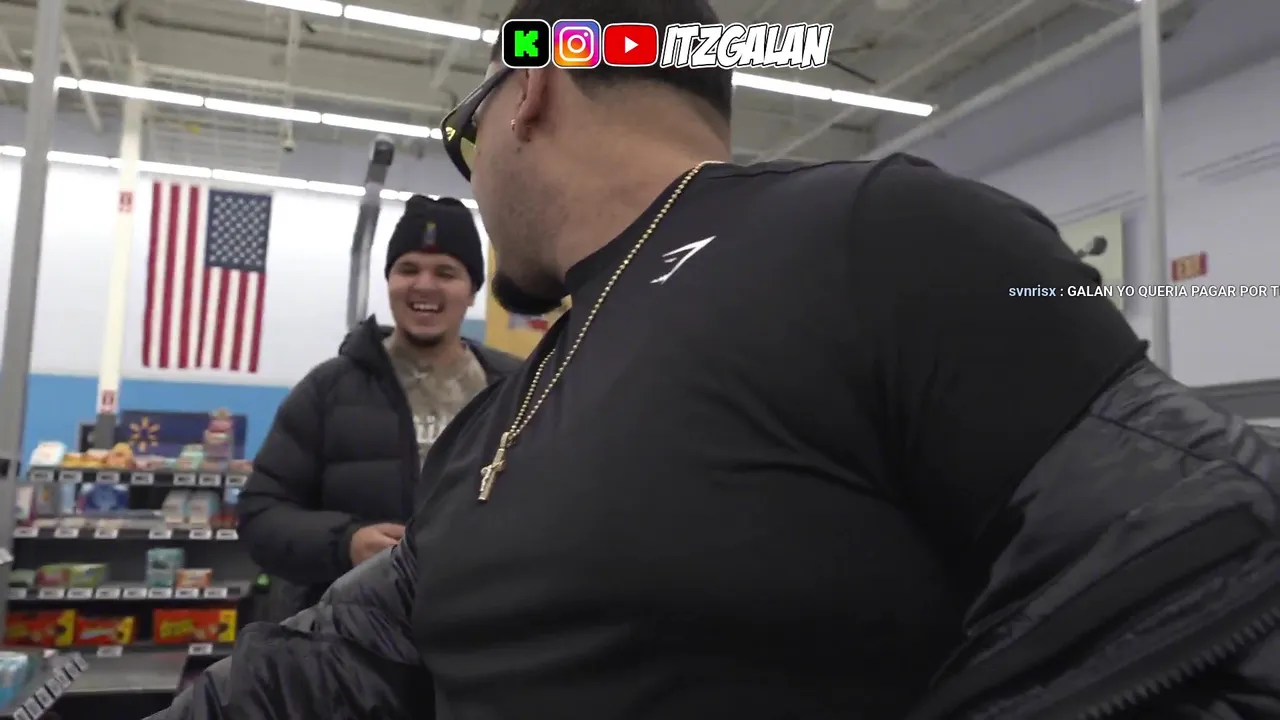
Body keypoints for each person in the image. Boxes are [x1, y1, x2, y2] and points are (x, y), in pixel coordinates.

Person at [151, 0, 1280, 718]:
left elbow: (1220, 574)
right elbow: (351, 654)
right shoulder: (516, 403)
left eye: (463, 135)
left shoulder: (879, 233)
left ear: (528, 91)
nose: (471, 173)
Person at [236, 194, 518, 617]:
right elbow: (261, 515)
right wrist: (345, 543)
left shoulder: (515, 387)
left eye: (446, 272)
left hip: (481, 626)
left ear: (472, 290)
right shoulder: (328, 390)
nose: (424, 285)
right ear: (389, 281)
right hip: (354, 631)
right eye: (408, 269)